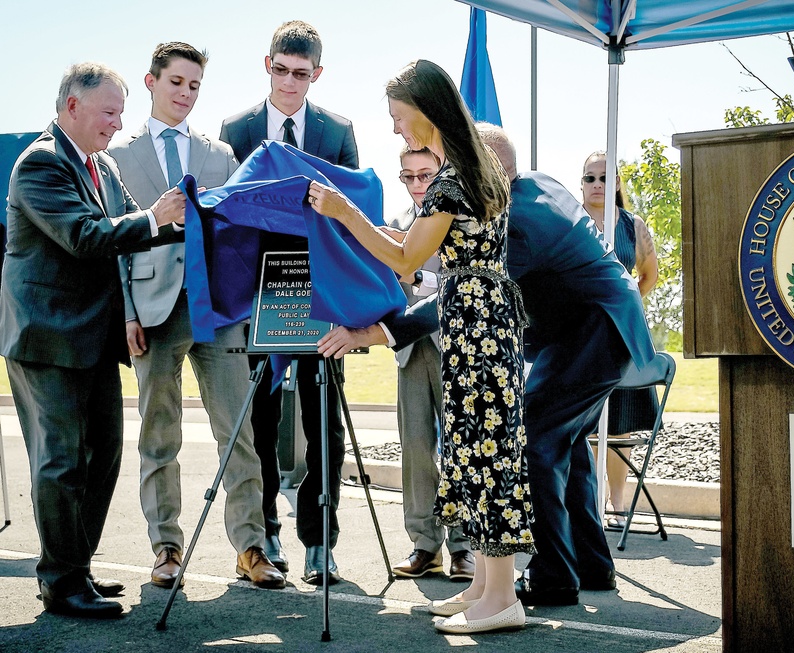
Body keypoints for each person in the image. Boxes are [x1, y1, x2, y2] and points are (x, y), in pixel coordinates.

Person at [319, 124, 655, 609]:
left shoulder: (516, 221)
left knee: (533, 441)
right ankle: (591, 565)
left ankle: (553, 577)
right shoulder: (538, 184)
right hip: (594, 332)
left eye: (460, 162)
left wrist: (370, 334)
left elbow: (456, 294)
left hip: (594, 335)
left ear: (487, 168)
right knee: (565, 444)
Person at [309, 60, 532, 635]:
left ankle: (502, 595)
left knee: (485, 454)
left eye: (398, 117)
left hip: (475, 324)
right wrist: (348, 220)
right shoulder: (473, 170)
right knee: (475, 448)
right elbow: (412, 241)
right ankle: (484, 585)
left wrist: (342, 211)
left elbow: (407, 258)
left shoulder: (453, 181)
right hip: (481, 320)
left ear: (425, 111)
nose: (394, 129)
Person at [0, 62, 186, 618]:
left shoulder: (100, 165)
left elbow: (134, 224)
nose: (116, 123)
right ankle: (61, 583)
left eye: (120, 113)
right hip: (47, 338)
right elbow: (85, 236)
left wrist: (194, 219)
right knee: (59, 463)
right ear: (71, 106)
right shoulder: (41, 165)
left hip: (91, 339)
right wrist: (155, 219)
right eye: (108, 112)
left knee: (102, 455)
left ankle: (74, 568)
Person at [109, 42, 284, 591]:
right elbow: (116, 242)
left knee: (239, 430)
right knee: (159, 434)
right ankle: (166, 546)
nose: (186, 94)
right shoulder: (118, 153)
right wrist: (127, 313)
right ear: (151, 81)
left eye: (194, 86)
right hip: (153, 310)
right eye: (177, 83)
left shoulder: (219, 155)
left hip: (219, 311)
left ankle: (251, 548)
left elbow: (238, 234)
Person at [219, 19, 358, 585]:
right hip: (261, 291)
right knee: (260, 416)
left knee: (323, 417)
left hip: (320, 289)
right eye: (281, 70)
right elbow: (227, 216)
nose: (290, 82)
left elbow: (352, 216)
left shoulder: (339, 131)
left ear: (316, 75)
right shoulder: (235, 129)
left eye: (302, 74)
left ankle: (319, 541)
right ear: (267, 65)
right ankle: (266, 531)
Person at [387, 146, 475, 582]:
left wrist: (418, 277)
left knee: (459, 448)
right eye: (408, 176)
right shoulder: (396, 224)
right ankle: (425, 544)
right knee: (416, 448)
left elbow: (464, 283)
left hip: (452, 347)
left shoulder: (458, 215)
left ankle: (463, 546)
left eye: (425, 174)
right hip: (410, 350)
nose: (418, 184)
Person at [580, 150, 659, 527]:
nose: (597, 184)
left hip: (621, 334)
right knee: (583, 421)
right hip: (578, 334)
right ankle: (584, 504)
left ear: (616, 184)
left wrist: (624, 306)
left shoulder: (632, 225)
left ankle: (616, 503)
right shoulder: (569, 220)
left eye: (604, 178)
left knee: (620, 423)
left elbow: (648, 274)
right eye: (589, 178)